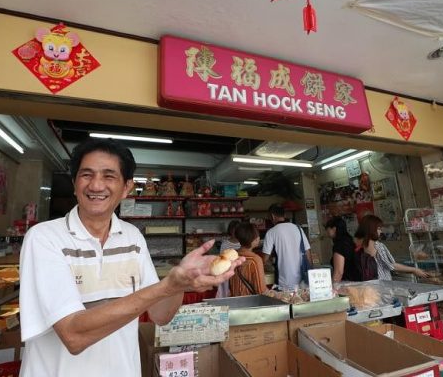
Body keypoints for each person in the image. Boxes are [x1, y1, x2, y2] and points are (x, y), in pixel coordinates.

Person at [19, 138, 243, 377]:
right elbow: (74, 335)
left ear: (126, 188)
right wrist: (167, 285)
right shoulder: (44, 238)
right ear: (74, 184)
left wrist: (182, 281)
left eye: (108, 176)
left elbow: (160, 314)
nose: (96, 185)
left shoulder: (132, 237)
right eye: (86, 175)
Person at [356, 215, 429, 281]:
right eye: (378, 228)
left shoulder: (358, 243)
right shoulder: (378, 246)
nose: (380, 231)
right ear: (371, 229)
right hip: (381, 283)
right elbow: (392, 266)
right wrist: (414, 270)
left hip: (367, 282)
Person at [261, 203, 311, 290]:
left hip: (283, 282)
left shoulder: (271, 232)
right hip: (302, 281)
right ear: (284, 215)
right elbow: (308, 253)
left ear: (272, 216)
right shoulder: (298, 228)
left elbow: (264, 259)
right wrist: (310, 273)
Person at [230, 222, 266, 296]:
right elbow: (261, 290)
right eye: (257, 235)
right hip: (250, 303)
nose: (259, 237)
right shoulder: (255, 260)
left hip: (233, 301)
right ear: (254, 239)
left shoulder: (232, 256)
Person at [326, 216, 360, 282]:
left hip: (347, 283)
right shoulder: (349, 240)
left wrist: (333, 288)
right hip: (356, 280)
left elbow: (339, 272)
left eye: (328, 229)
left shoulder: (340, 244)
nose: (327, 233)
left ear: (334, 229)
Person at [216, 220, 241, 298]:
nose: (236, 233)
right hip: (228, 272)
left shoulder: (242, 243)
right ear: (230, 231)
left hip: (240, 272)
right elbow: (221, 259)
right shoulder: (225, 244)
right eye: (234, 231)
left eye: (238, 231)